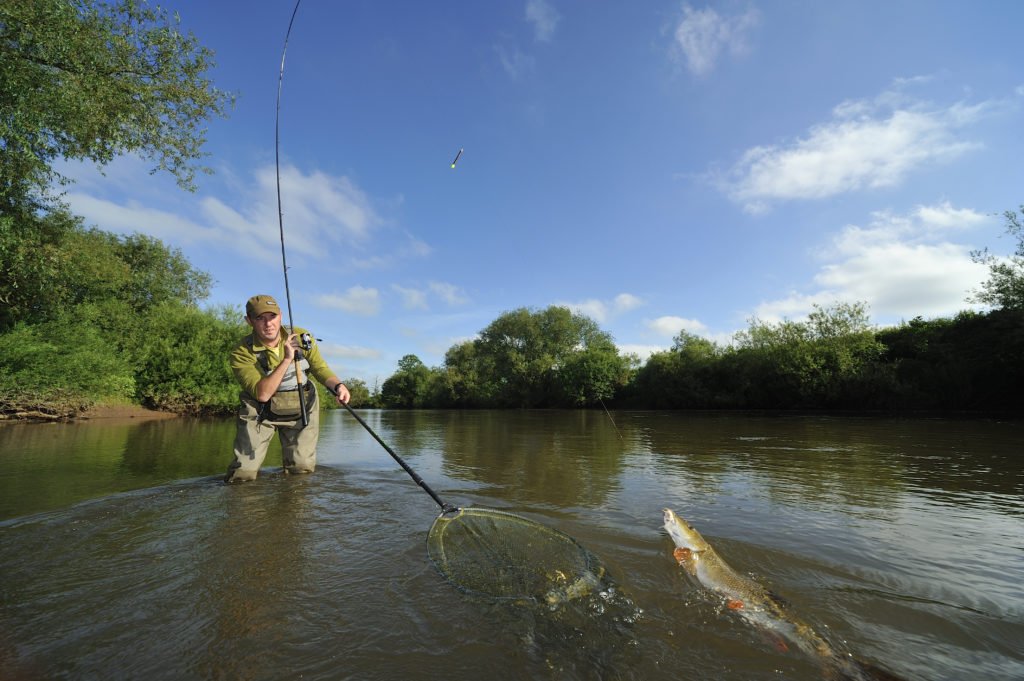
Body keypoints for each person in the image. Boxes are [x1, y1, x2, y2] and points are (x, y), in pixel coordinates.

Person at [225, 294, 350, 482]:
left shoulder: (302, 337)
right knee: (243, 474)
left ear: (281, 316)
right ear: (249, 321)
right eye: (260, 318)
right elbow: (263, 394)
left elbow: (319, 368)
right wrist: (286, 359)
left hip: (302, 404)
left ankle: (292, 507)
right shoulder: (241, 351)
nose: (268, 324)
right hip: (259, 409)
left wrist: (338, 386)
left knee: (301, 469)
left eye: (272, 317)